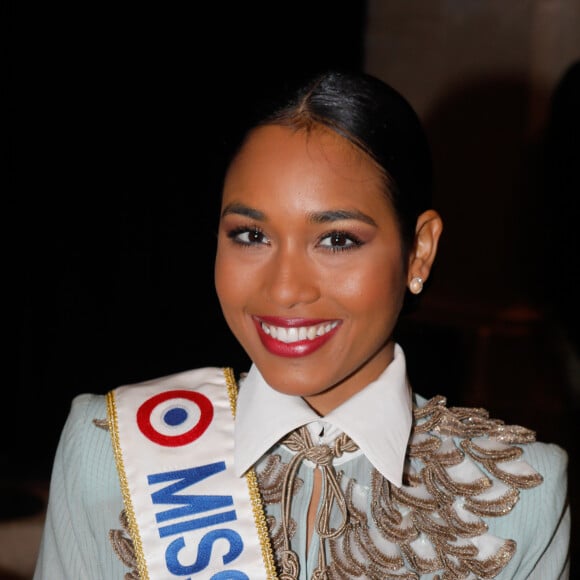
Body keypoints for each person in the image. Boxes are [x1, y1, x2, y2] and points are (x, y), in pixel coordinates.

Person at [33, 69, 570, 579]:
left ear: (419, 252)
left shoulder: (520, 493)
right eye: (250, 235)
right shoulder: (109, 447)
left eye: (337, 240)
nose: (285, 289)